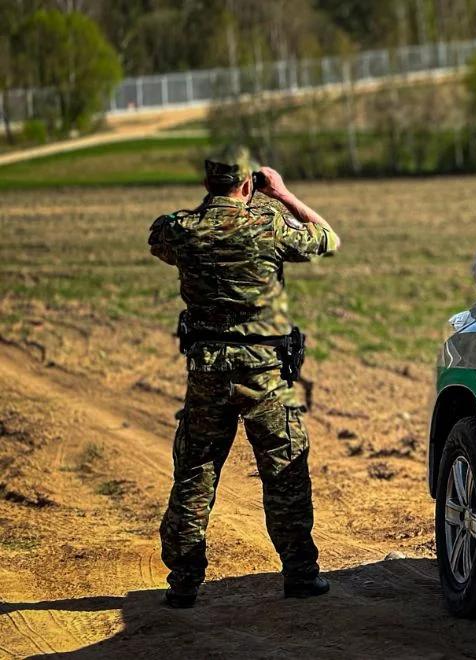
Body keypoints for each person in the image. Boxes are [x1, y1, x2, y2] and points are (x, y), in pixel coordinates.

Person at [148, 147, 340, 608]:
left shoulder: (181, 229)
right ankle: (299, 574)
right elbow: (328, 238)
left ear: (206, 183)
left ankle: (183, 582)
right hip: (264, 373)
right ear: (248, 183)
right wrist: (283, 194)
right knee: (283, 472)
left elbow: (158, 238)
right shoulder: (268, 224)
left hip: (208, 373)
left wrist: (212, 207)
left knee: (196, 471)